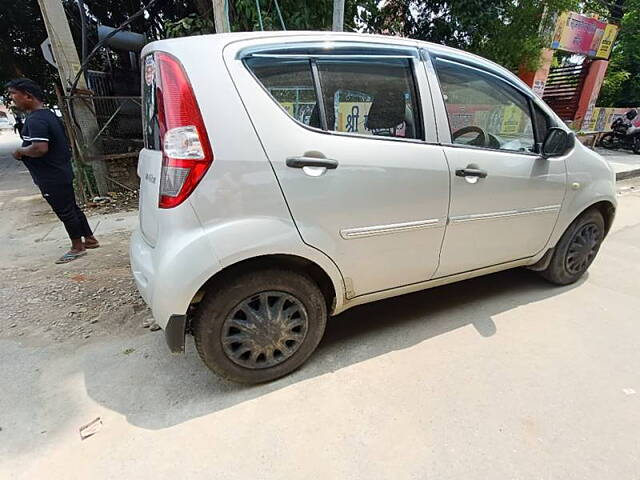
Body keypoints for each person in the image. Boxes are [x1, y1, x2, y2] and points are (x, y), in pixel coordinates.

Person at [7, 78, 99, 264]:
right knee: (71, 206)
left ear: (27, 95)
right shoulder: (47, 115)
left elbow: (40, 148)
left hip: (51, 175)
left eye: (13, 94)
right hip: (60, 171)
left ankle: (77, 247)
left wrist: (20, 151)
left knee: (65, 210)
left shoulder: (36, 120)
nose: (12, 99)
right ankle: (89, 238)